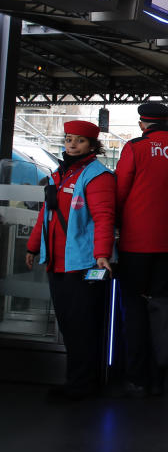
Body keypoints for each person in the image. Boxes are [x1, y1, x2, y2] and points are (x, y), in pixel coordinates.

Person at [26, 120, 116, 401]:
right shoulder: (59, 174)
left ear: (92, 145)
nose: (72, 145)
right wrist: (32, 247)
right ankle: (77, 381)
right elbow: (46, 214)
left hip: (83, 264)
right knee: (68, 324)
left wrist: (101, 255)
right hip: (58, 262)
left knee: (81, 326)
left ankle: (82, 384)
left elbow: (104, 218)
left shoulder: (98, 176)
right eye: (68, 140)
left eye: (79, 141)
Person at [115, 102, 168, 397]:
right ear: (167, 123)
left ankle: (137, 376)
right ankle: (158, 375)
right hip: (167, 243)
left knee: (135, 308)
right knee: (160, 307)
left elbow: (120, 192)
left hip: (135, 242)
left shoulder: (135, 148)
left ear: (142, 124)